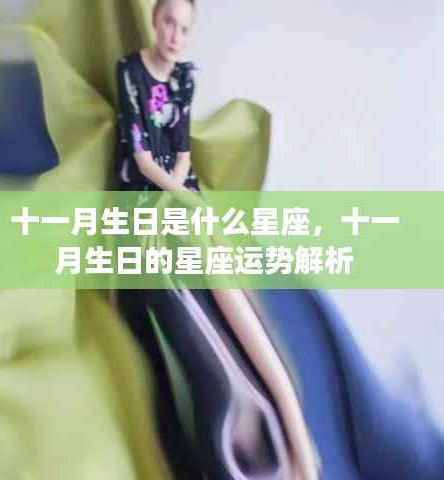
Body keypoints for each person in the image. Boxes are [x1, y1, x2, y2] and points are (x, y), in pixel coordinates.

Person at [114, 1, 319, 479]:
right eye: (169, 23)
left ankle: (299, 443)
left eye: (184, 28)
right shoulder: (130, 72)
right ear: (155, 21)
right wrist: (176, 199)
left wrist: (185, 198)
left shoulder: (184, 78)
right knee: (172, 321)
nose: (175, 36)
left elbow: (182, 152)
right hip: (143, 200)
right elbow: (142, 159)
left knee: (236, 303)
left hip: (181, 196)